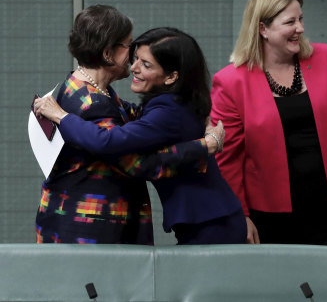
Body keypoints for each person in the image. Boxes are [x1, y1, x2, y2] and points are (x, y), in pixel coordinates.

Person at [35, 27, 246, 245]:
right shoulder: (170, 102)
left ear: (172, 76)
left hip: (213, 224)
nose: (133, 67)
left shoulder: (168, 112)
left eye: (145, 64)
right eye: (136, 58)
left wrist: (62, 116)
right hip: (210, 220)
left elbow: (108, 141)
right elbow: (128, 112)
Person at [210, 0, 327, 245]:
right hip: (267, 211)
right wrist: (239, 214)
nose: (300, 28)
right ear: (263, 29)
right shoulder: (230, 82)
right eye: (290, 22)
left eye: (300, 19)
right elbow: (228, 159)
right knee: (279, 284)